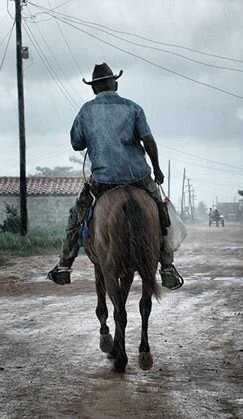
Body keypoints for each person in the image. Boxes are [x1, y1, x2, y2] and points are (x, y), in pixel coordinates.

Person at [47, 63, 183, 290]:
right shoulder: (134, 108)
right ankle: (167, 266)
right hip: (137, 176)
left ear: (94, 89)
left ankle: (65, 264)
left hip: (103, 180)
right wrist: (157, 170)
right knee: (160, 213)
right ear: (115, 84)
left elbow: (76, 143)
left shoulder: (86, 111)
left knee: (78, 215)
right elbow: (148, 140)